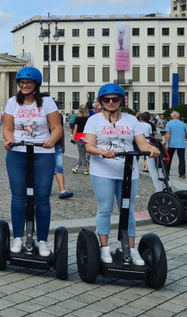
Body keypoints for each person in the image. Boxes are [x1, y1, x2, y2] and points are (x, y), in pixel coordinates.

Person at [81, 83, 160, 266]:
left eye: (114, 99)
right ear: (101, 101)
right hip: (102, 170)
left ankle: (130, 249)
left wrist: (151, 149)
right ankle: (104, 248)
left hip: (128, 170)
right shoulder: (94, 120)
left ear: (121, 101)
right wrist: (101, 151)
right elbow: (88, 145)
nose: (110, 102)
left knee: (128, 210)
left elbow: (142, 145)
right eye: (106, 99)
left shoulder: (131, 120)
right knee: (105, 208)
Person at [3, 67, 63, 257]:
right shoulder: (13, 102)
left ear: (36, 84)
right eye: (21, 82)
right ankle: (18, 237)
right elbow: (7, 128)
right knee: (19, 197)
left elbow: (56, 127)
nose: (24, 85)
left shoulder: (47, 102)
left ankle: (43, 240)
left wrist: (52, 140)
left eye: (28, 82)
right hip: (18, 152)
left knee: (42, 198)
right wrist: (9, 140)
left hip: (43, 153)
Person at [164, 111, 187, 179]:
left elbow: (168, 134)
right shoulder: (183, 124)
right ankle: (182, 174)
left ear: (172, 116)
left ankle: (167, 172)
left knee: (169, 158)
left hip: (172, 143)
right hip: (181, 143)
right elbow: (186, 135)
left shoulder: (169, 124)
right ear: (179, 117)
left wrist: (166, 143)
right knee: (181, 159)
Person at [71, 104, 90, 174]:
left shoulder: (77, 118)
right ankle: (77, 167)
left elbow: (75, 129)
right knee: (82, 152)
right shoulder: (88, 118)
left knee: (81, 152)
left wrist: (73, 138)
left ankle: (85, 168)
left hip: (79, 136)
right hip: (86, 136)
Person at [54, 133, 73, 199]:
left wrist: (63, 145)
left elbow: (61, 130)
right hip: (44, 146)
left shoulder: (60, 121)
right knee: (45, 170)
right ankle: (43, 190)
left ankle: (62, 191)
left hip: (57, 146)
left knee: (59, 168)